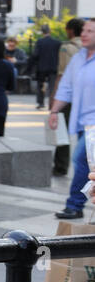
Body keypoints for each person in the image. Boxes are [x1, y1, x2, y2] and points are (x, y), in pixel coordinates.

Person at [49, 18, 95, 220]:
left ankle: (75, 204)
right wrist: (54, 112)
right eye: (84, 30)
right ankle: (77, 204)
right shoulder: (79, 58)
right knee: (88, 165)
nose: (84, 34)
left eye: (90, 31)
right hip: (82, 123)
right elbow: (66, 87)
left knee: (80, 159)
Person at [54, 17, 85, 177]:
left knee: (62, 130)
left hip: (70, 96)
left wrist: (54, 100)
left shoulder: (67, 48)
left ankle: (61, 166)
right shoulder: (88, 47)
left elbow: (62, 75)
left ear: (70, 30)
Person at [27, 23, 61, 111]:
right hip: (53, 67)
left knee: (40, 86)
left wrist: (30, 67)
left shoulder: (40, 42)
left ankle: (40, 103)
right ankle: (52, 103)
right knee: (52, 87)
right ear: (50, 31)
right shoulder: (57, 43)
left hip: (41, 67)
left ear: (42, 32)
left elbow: (35, 55)